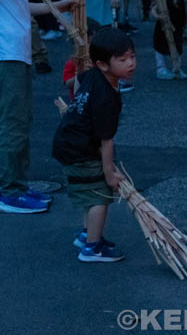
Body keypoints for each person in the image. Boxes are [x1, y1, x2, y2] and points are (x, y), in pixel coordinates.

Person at [0, 0, 74, 214]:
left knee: (20, 118)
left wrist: (54, 7)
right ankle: (9, 190)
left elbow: (16, 3)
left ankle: (17, 183)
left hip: (17, 48)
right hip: (5, 51)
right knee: (13, 120)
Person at [52, 26, 134, 262]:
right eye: (122, 59)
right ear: (102, 64)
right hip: (80, 149)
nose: (131, 63)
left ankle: (88, 235)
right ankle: (92, 248)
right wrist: (109, 172)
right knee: (99, 195)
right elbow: (106, 139)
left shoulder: (92, 75)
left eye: (132, 57)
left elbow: (75, 83)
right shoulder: (106, 97)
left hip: (69, 144)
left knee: (88, 192)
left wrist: (78, 110)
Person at [61, 18, 102, 100]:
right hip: (81, 101)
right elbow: (67, 84)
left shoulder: (99, 58)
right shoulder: (72, 62)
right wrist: (80, 74)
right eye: (89, 43)